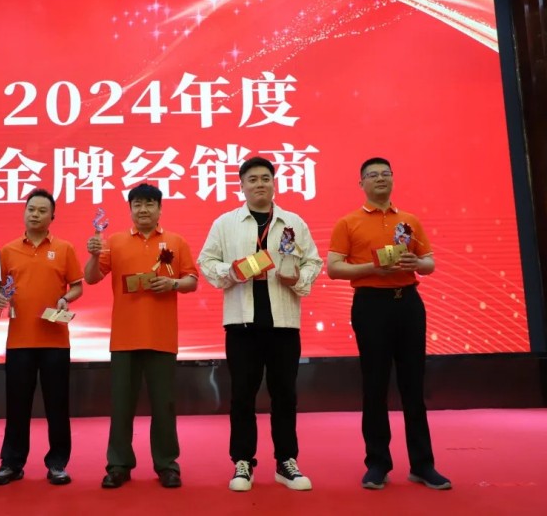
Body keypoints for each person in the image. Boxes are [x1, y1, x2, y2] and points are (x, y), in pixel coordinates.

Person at [198, 156, 322, 492]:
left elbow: (313, 261)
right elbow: (206, 261)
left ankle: (286, 461)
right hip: (241, 325)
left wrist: (298, 278)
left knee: (285, 395)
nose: (259, 184)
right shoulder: (226, 223)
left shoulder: (293, 222)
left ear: (274, 183)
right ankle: (242, 462)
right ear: (241, 185)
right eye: (252, 179)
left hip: (284, 323)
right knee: (242, 395)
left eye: (265, 178)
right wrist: (231, 271)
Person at [327, 157, 451, 490]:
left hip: (408, 302)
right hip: (370, 305)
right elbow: (334, 268)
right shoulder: (348, 222)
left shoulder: (409, 220)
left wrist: (416, 263)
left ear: (393, 179)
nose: (380, 178)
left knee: (414, 385)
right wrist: (372, 269)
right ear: (361, 184)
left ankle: (422, 465)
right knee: (375, 385)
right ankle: (378, 463)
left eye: (386, 174)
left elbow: (429, 263)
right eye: (373, 175)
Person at [84, 183, 198, 489]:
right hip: (124, 338)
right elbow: (91, 278)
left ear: (160, 209)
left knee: (164, 405)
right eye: (137, 204)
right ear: (130, 209)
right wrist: (93, 256)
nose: (143, 209)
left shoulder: (176, 241)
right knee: (121, 405)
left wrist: (173, 284)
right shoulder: (114, 241)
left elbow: (191, 280)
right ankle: (118, 464)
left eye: (149, 204)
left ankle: (167, 464)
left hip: (162, 337)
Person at [0, 189, 83, 486]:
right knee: (17, 405)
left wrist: (66, 299)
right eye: (31, 209)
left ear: (52, 216)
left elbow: (77, 286)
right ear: (24, 212)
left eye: (42, 210)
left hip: (55, 340)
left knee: (57, 405)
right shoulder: (8, 250)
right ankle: (11, 463)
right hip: (19, 341)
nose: (35, 214)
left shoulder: (64, 248)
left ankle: (57, 463)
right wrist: (0, 298)